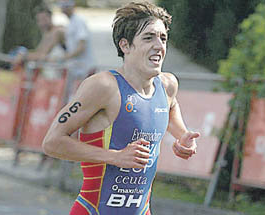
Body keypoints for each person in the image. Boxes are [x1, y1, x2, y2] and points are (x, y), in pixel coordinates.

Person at [42, 2, 200, 214]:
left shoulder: (167, 85)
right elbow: (52, 142)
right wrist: (114, 157)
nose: (159, 45)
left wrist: (182, 135)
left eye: (163, 38)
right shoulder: (103, 86)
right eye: (148, 38)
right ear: (125, 45)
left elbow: (169, 107)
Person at [58, 0, 96, 101]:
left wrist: (65, 57)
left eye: (66, 5)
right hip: (75, 70)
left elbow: (81, 46)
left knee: (82, 100)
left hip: (84, 69)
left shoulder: (78, 21)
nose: (63, 8)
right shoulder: (71, 22)